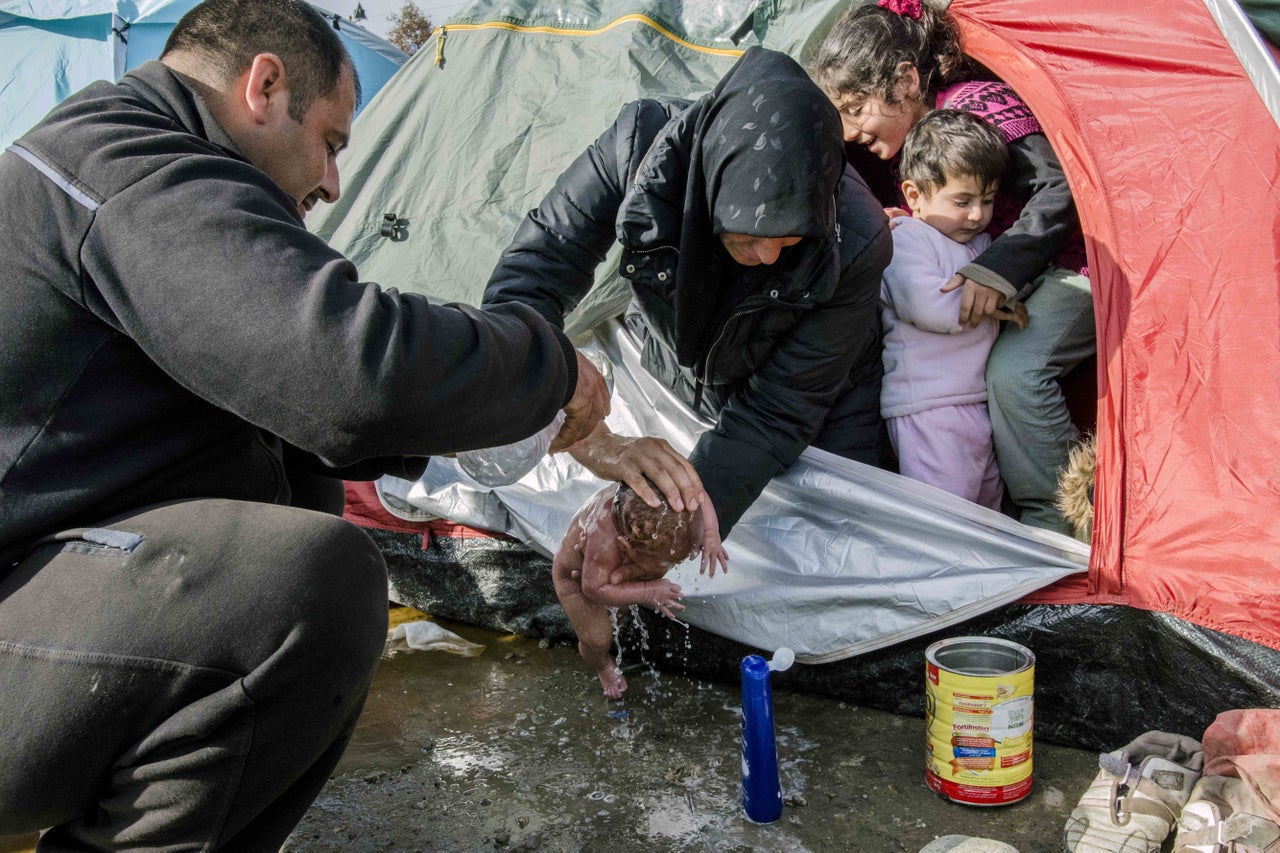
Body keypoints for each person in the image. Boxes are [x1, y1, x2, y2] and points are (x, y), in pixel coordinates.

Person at [0, 0, 610, 848]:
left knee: (297, 482)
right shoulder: (126, 166)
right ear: (264, 86)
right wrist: (551, 367)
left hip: (30, 603)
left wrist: (536, 432)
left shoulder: (131, 162)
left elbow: (317, 412)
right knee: (305, 586)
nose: (331, 183)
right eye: (330, 141)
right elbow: (345, 370)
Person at [483, 47, 894, 540]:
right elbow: (540, 263)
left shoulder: (858, 239)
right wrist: (542, 387)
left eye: (790, 239)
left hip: (821, 402)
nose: (766, 256)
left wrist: (679, 522)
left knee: (838, 541)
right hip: (675, 367)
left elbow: (778, 412)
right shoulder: (638, 148)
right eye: (745, 236)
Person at [812, 0, 1095, 535]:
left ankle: (1062, 520)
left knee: (1016, 372)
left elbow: (1060, 187)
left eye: (855, 108)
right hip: (1018, 283)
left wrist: (997, 270)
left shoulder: (975, 106)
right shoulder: (905, 151)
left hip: (1071, 262)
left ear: (906, 81)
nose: (849, 131)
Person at [880, 109, 1015, 509]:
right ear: (915, 196)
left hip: (973, 400)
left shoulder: (978, 246)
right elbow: (927, 307)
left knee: (988, 508)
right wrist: (995, 304)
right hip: (928, 406)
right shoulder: (906, 240)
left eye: (987, 200)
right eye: (962, 201)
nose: (977, 214)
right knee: (946, 518)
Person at [552, 482, 728, 698]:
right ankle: (602, 664)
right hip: (577, 583)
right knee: (598, 638)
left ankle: (621, 602)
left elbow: (700, 494)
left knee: (617, 613)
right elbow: (593, 588)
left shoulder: (671, 492)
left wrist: (710, 532)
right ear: (628, 547)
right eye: (667, 562)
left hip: (607, 575)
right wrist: (647, 590)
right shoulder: (604, 540)